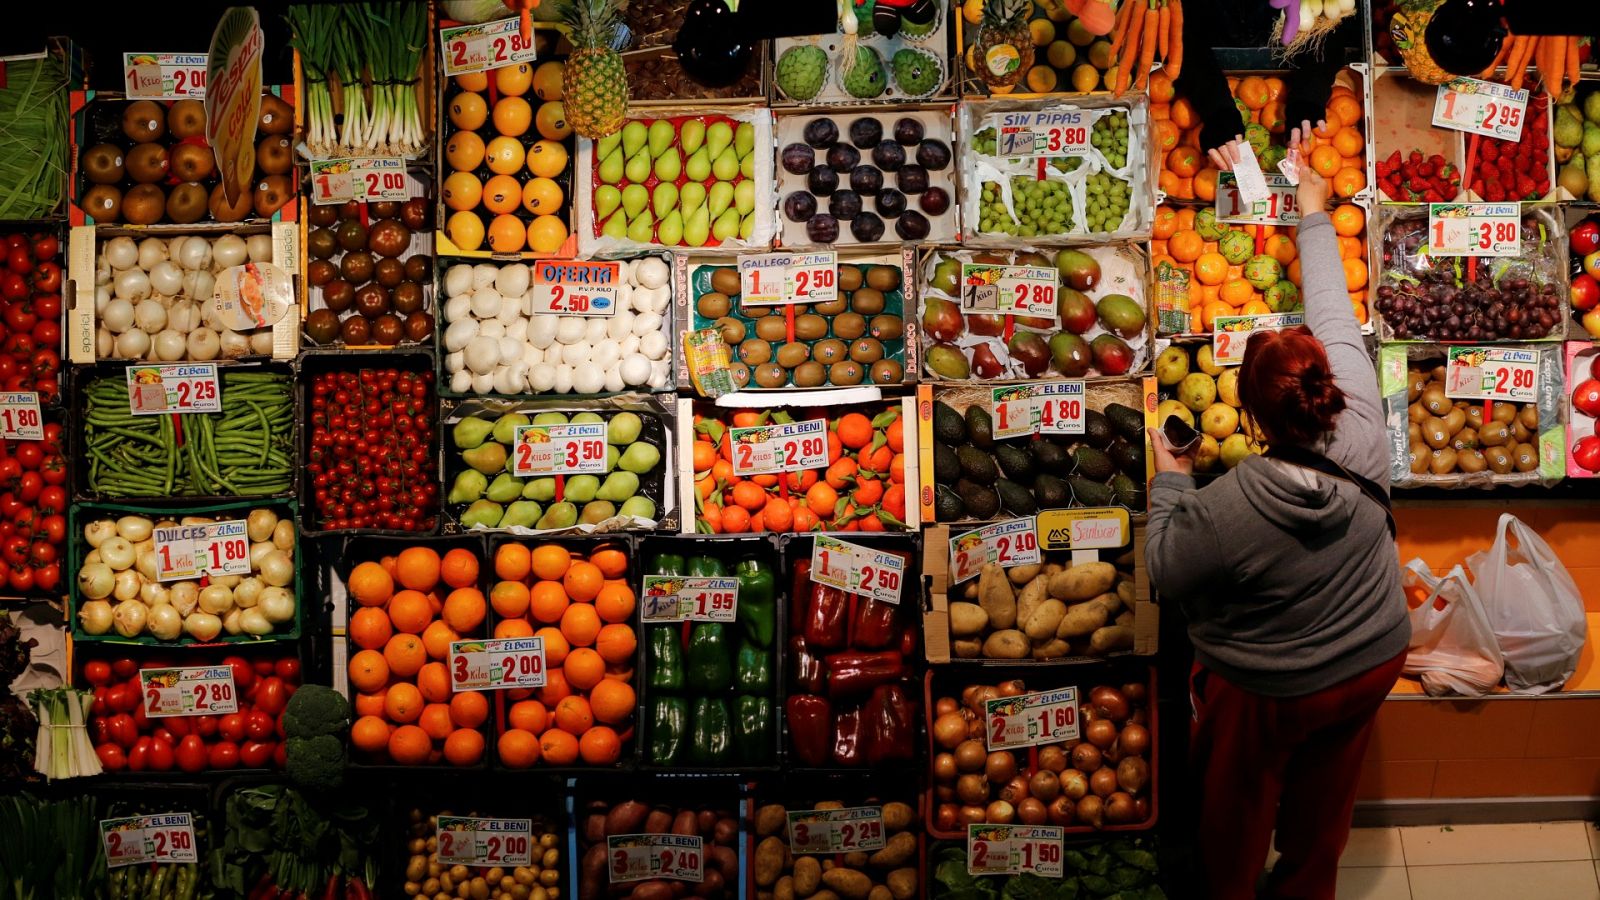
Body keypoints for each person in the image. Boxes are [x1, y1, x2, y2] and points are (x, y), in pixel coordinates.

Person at [1145, 122, 1411, 900]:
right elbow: (1331, 302)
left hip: (1273, 684)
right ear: (1326, 377)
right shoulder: (1364, 417)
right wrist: (1314, 210)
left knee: (1236, 808)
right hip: (1372, 657)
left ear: (1253, 423)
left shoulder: (1233, 504)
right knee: (1325, 806)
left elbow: (1166, 568)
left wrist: (1171, 479)